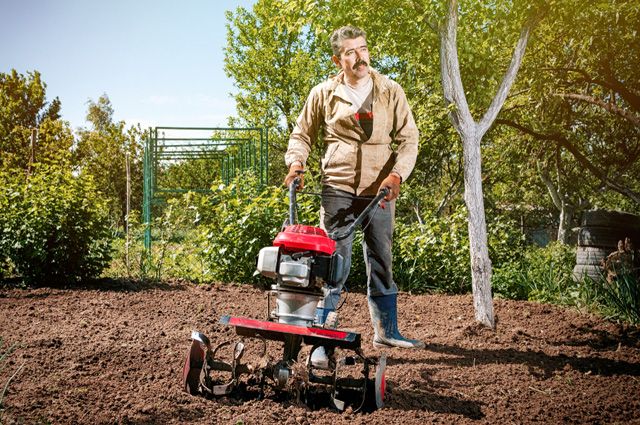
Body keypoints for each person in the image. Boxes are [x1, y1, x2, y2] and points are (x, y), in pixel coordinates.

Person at [283, 25, 424, 365]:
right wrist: (296, 163)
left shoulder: (390, 90)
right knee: (333, 263)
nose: (360, 57)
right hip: (338, 186)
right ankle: (321, 338)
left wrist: (397, 174)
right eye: (350, 52)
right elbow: (302, 134)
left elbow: (409, 139)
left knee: (382, 259)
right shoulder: (324, 93)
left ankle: (387, 330)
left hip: (380, 189)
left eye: (363, 48)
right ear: (338, 60)